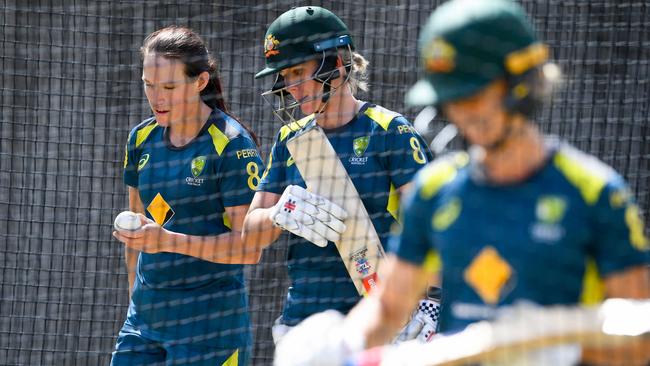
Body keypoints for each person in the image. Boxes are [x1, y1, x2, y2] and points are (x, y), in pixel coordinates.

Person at [274, 1, 650, 365]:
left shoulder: (595, 194)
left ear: (523, 83)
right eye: (451, 98)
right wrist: (343, 344)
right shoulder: (436, 193)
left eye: (473, 95)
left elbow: (640, 337)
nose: (462, 114)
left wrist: (570, 350)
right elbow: (389, 305)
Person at [241, 6, 433, 344]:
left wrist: (432, 302)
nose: (290, 87)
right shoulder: (291, 139)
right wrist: (278, 214)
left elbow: (433, 225)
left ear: (338, 66)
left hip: (380, 322)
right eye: (284, 76)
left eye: (298, 72)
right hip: (305, 326)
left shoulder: (388, 130)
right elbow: (249, 236)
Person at [111, 26, 263, 366]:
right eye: (148, 85)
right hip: (144, 324)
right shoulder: (140, 139)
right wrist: (134, 304)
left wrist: (167, 241)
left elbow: (250, 249)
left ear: (200, 82)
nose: (156, 98)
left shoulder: (233, 146)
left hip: (209, 330)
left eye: (168, 86)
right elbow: (136, 235)